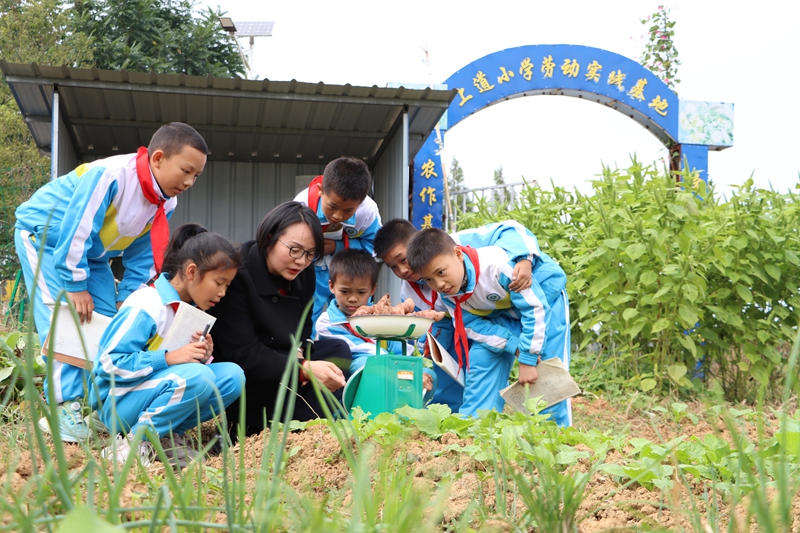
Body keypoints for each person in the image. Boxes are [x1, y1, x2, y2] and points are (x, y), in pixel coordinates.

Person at [15, 122, 208, 442]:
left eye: (196, 176)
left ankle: (92, 402)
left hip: (91, 255)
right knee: (65, 318)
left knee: (106, 321)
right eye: (186, 171)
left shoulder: (165, 201)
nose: (189, 182)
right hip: (47, 239)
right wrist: (75, 288)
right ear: (158, 158)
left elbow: (142, 252)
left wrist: (128, 297)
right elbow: (77, 227)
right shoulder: (112, 176)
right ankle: (61, 406)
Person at [90, 223, 244, 468]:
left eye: (228, 285)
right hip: (117, 403)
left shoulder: (189, 311)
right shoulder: (147, 303)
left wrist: (202, 354)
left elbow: (181, 370)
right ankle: (134, 443)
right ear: (192, 271)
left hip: (149, 394)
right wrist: (169, 358)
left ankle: (167, 437)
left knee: (233, 377)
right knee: (200, 376)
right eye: (219, 282)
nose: (223, 292)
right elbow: (108, 364)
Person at [208, 202, 352, 440]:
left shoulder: (304, 273)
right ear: (269, 237)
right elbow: (243, 353)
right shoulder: (239, 274)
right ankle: (251, 427)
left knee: (338, 350)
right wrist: (303, 369)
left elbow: (304, 329)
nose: (301, 261)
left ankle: (299, 420)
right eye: (294, 250)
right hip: (251, 376)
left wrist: (302, 358)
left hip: (286, 364)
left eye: (310, 254)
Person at [406, 228, 571, 425]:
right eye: (429, 279)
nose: (439, 284)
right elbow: (471, 325)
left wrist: (527, 358)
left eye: (441, 272)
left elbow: (535, 308)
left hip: (543, 300)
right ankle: (476, 427)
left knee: (547, 367)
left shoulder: (497, 266)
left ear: (458, 254)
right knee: (482, 356)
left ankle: (554, 432)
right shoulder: (449, 293)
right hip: (502, 309)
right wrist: (513, 345)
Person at [373, 219, 537, 412]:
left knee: (480, 363)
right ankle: (450, 413)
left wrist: (524, 258)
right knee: (449, 374)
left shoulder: (456, 244)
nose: (402, 270)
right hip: (457, 328)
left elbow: (511, 229)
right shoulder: (408, 290)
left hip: (497, 311)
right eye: (393, 267)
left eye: (403, 259)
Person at [314, 249, 436, 402]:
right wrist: (402, 370)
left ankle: (408, 411)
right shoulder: (326, 322)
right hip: (355, 369)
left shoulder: (380, 316)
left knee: (428, 373)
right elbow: (361, 350)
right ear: (332, 286)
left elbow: (397, 345)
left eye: (361, 292)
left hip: (388, 365)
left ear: (372, 289)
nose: (352, 298)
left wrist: (414, 363)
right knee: (367, 365)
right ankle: (354, 411)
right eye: (345, 291)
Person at [293, 157, 382, 331]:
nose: (338, 216)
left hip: (351, 274)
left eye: (349, 210)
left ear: (361, 201)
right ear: (320, 191)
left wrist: (338, 248)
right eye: (332, 206)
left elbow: (376, 246)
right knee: (305, 317)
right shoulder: (302, 206)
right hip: (312, 271)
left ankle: (364, 349)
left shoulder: (368, 212)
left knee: (360, 319)